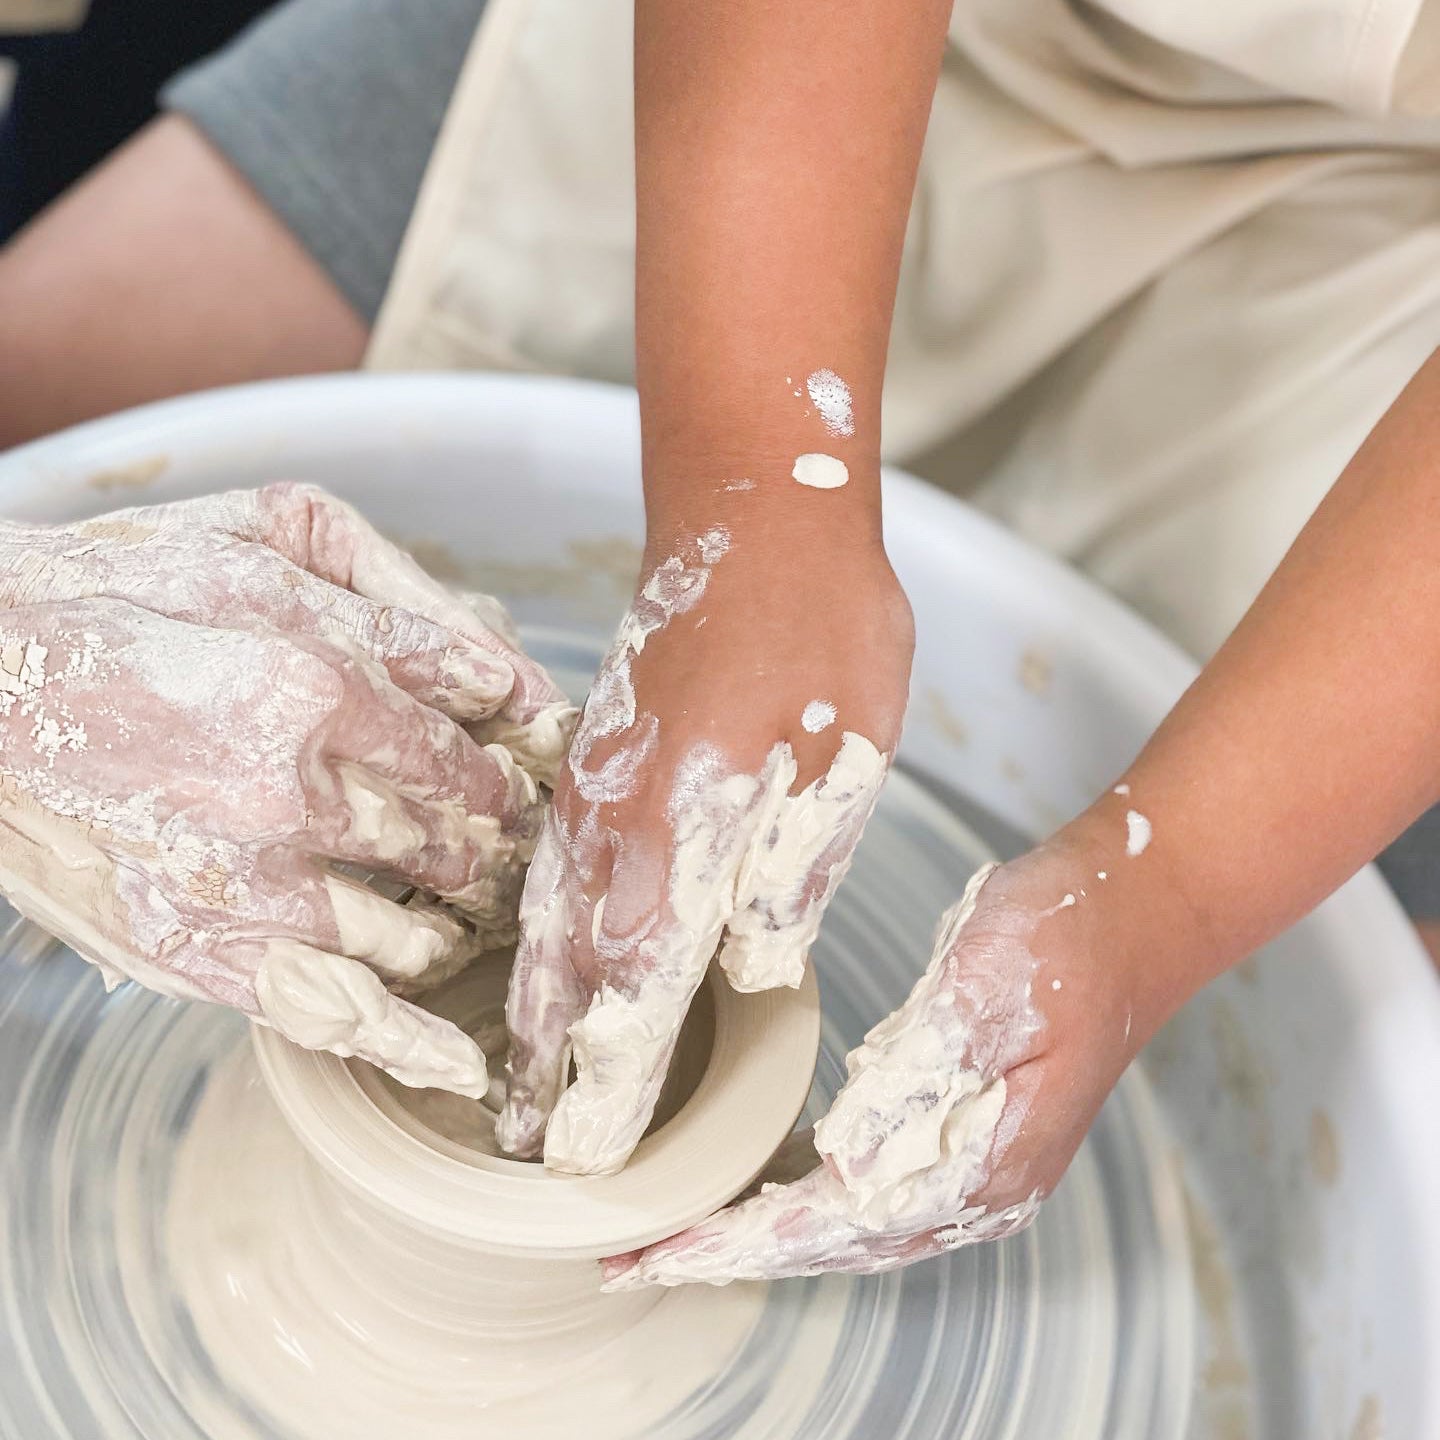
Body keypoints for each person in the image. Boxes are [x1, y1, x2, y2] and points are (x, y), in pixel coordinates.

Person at [2, 0, 1440, 1286]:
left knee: (1352, 1022)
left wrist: (1159, 903)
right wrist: (754, 487)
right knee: (46, 402)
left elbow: (1179, 890)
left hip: (1397, 243)